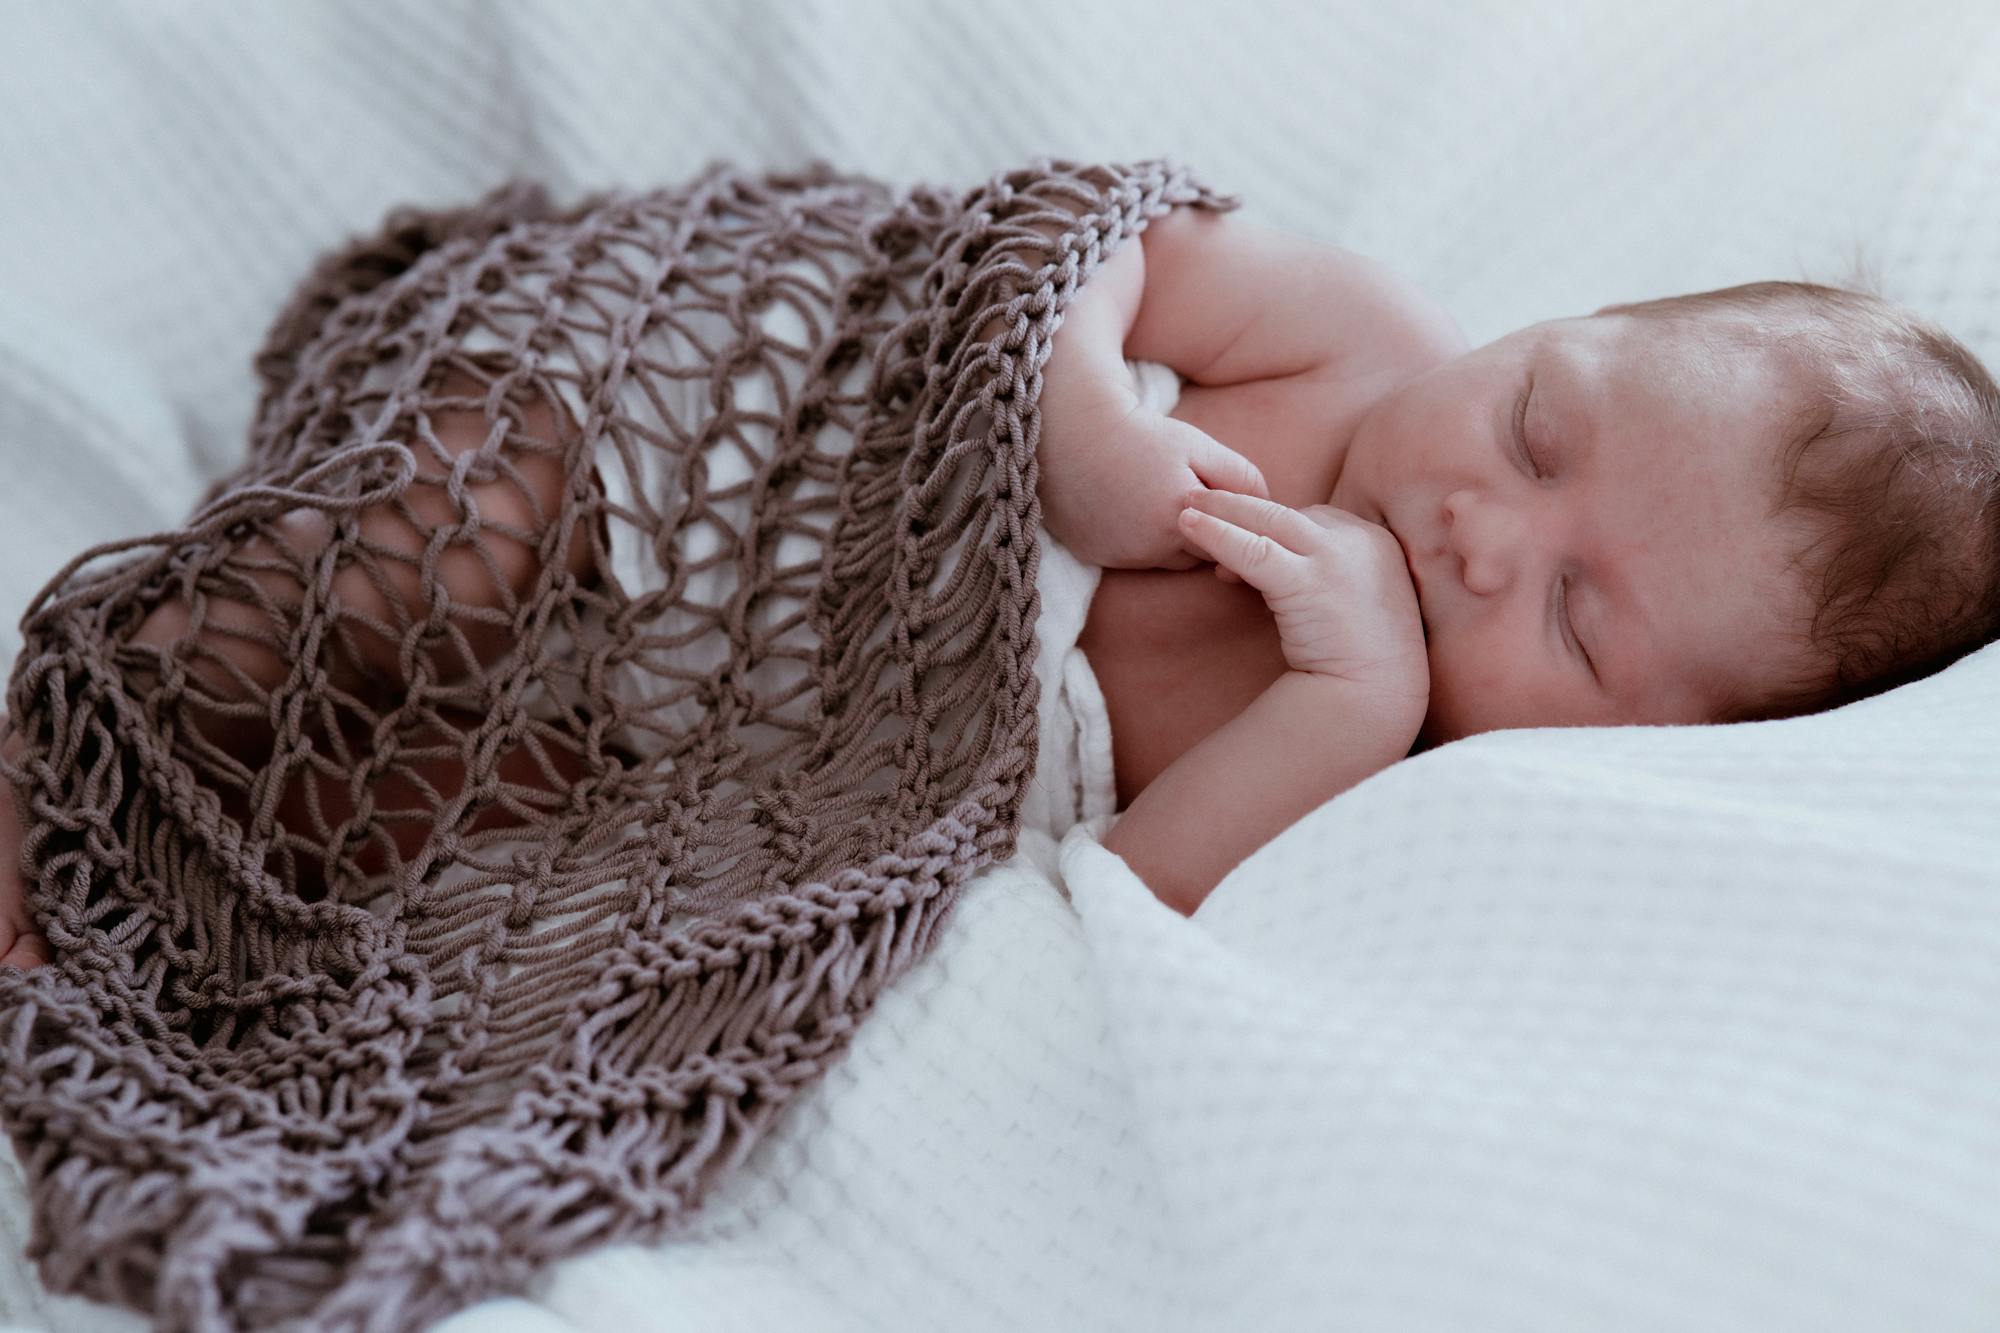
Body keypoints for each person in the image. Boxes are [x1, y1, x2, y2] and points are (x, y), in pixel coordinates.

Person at [3, 204, 1997, 955]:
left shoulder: (1378, 777)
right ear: (1560, 318)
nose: (1489, 527)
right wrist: (1090, 432)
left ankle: (124, 872)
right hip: (667, 468)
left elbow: (1109, 894)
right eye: (1542, 426)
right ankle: (64, 759)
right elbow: (1081, 249)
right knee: (424, 545)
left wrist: (1344, 704)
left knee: (421, 847)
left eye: (1576, 617)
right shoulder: (1353, 338)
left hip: (669, 750)